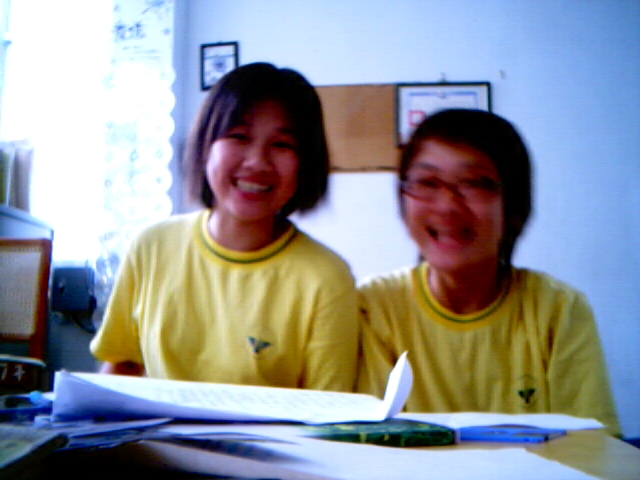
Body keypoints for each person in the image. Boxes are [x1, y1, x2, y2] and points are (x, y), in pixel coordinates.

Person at [90, 62, 359, 392]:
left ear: (306, 163)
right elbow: (122, 364)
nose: (257, 161)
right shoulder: (151, 246)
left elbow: (328, 411)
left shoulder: (327, 279)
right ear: (205, 147)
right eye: (238, 136)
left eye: (281, 145)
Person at [356, 108, 620, 434]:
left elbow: (592, 446)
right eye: (427, 182)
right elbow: (365, 443)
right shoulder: (376, 307)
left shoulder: (558, 310)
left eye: (475, 183)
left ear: (513, 204)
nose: (447, 205)